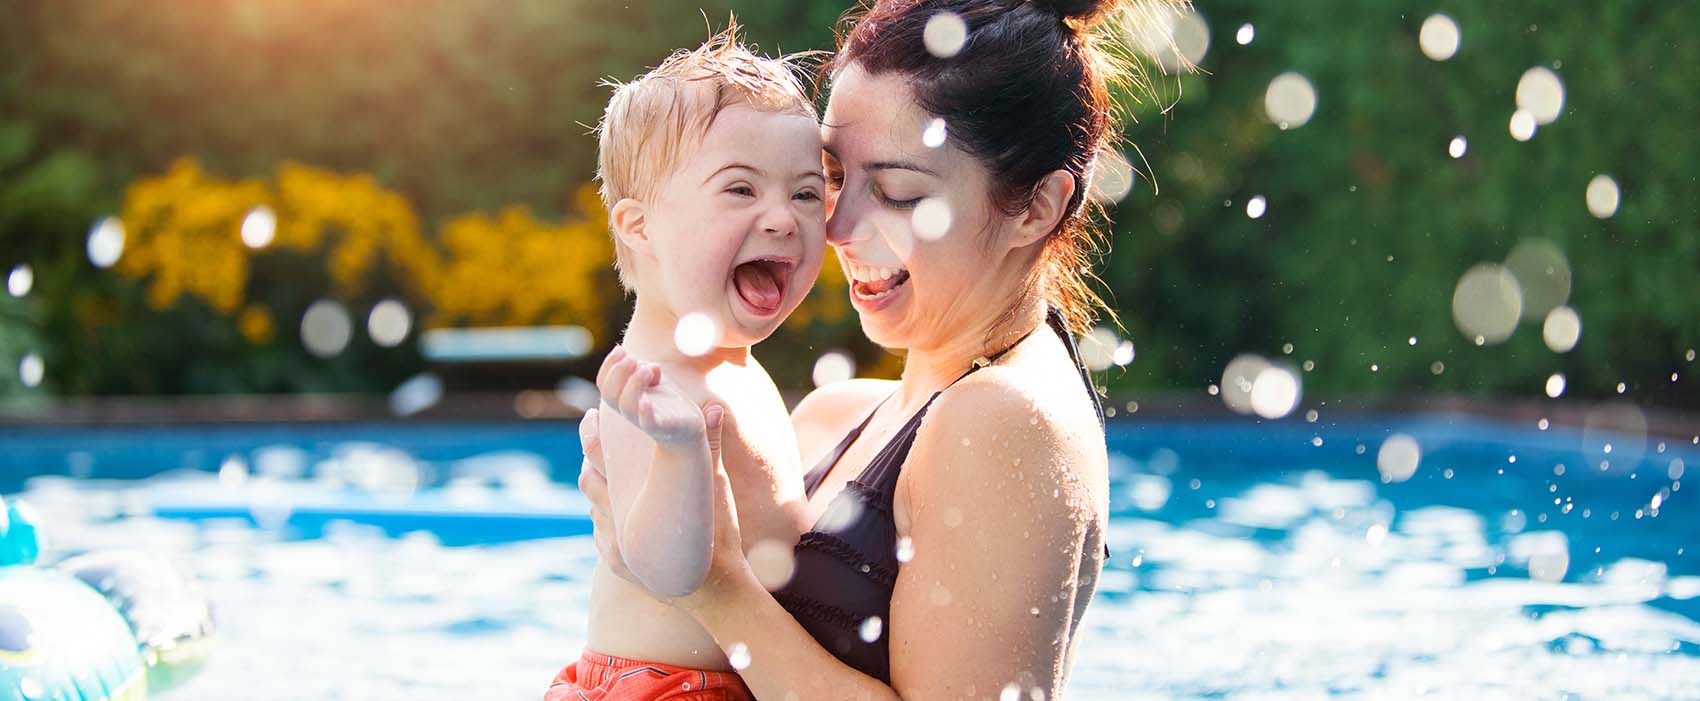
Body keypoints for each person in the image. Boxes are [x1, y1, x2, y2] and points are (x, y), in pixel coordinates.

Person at [582, 0, 1167, 696]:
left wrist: (715, 588)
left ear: (1036, 207)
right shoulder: (845, 414)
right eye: (832, 178)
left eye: (894, 190)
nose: (835, 227)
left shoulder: (1004, 423)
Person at [544, 25, 827, 701]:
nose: (783, 218)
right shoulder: (650, 387)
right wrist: (678, 450)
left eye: (807, 193)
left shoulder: (735, 367)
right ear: (639, 226)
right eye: (740, 191)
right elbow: (670, 571)